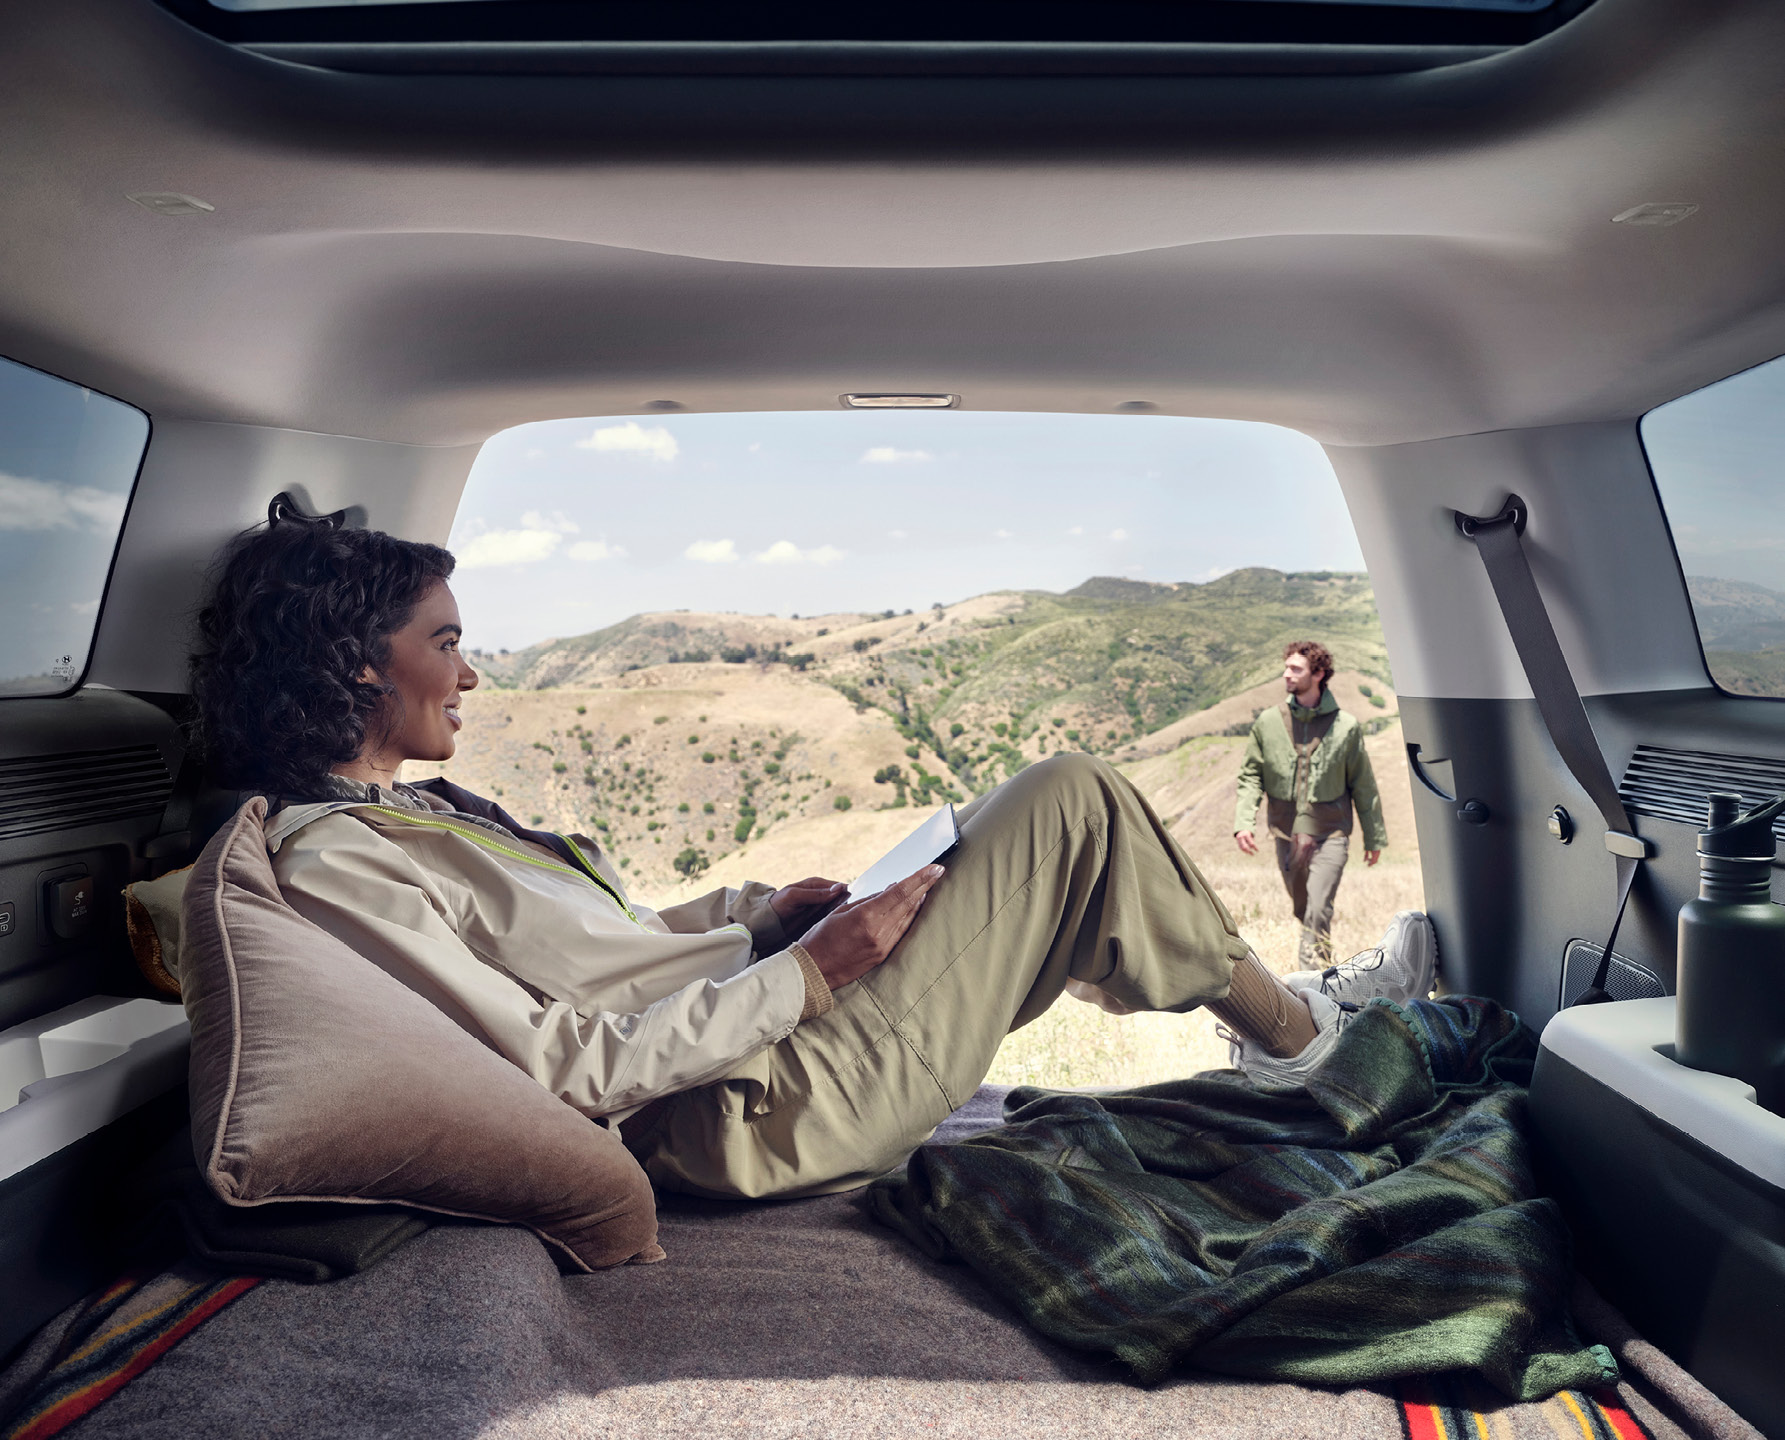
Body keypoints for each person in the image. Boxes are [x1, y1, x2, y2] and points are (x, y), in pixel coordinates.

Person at [188, 516, 1434, 1202]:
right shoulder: (336, 867)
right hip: (742, 1113)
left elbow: (604, 956)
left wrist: (761, 919)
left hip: (750, 1048)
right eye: (446, 643)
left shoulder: (409, 816)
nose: (470, 673)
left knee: (1041, 821)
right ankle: (1303, 1039)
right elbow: (562, 1069)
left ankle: (1273, 1016)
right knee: (1072, 797)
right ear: (359, 665)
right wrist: (808, 975)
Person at [1234, 641, 1388, 970]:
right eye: (1286, 667)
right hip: (1286, 834)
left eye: (1296, 669)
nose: (1286, 674)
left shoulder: (1346, 727)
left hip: (1331, 833)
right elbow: (1250, 776)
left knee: (1318, 909)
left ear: (1318, 674)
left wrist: (1374, 837)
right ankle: (1328, 974)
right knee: (1303, 910)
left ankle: (1310, 983)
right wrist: (1243, 822)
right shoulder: (1268, 723)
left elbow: (1363, 785)